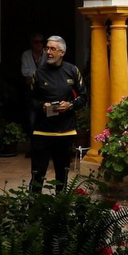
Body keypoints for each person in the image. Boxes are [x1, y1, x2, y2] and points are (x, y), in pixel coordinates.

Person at [27, 35, 84, 193]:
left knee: (62, 176)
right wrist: (42, 106)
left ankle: (60, 210)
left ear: (62, 52)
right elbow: (30, 100)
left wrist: (70, 105)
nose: (48, 52)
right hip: (42, 131)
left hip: (65, 131)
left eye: (53, 49)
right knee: (37, 175)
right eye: (47, 48)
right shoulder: (38, 73)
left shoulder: (72, 71)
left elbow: (84, 97)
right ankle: (33, 208)